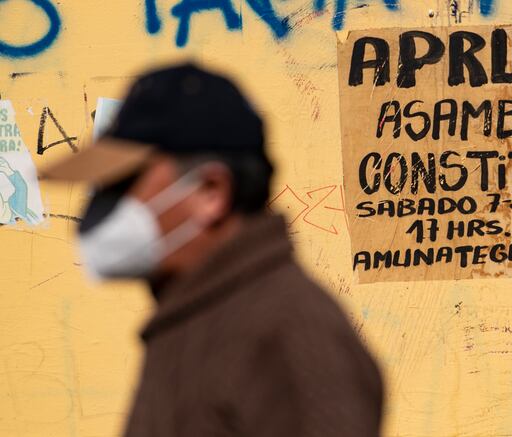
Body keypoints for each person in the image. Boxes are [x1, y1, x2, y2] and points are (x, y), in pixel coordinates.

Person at [42, 63, 383, 436]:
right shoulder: (197, 312)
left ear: (211, 193)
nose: (103, 209)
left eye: (124, 184)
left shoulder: (288, 332)